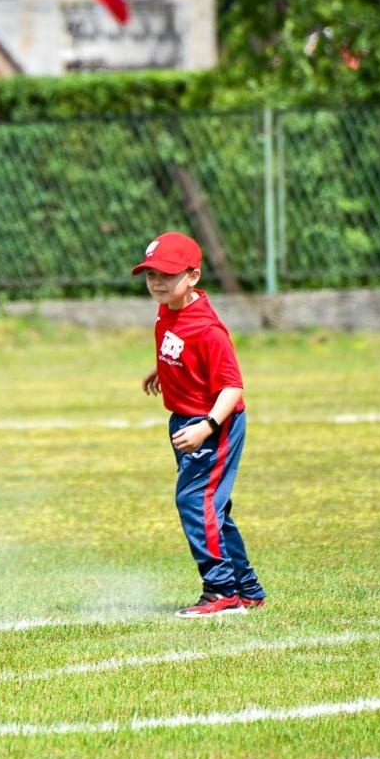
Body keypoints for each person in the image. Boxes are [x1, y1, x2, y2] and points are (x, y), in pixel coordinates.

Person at [132, 232, 267, 617]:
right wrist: (162, 369)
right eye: (150, 274)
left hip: (212, 423)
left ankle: (221, 592)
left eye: (167, 274)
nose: (157, 282)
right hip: (184, 418)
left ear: (193, 276)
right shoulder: (168, 309)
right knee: (214, 508)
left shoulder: (209, 329)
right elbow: (177, 345)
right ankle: (246, 589)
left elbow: (232, 386)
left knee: (195, 501)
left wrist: (207, 426)